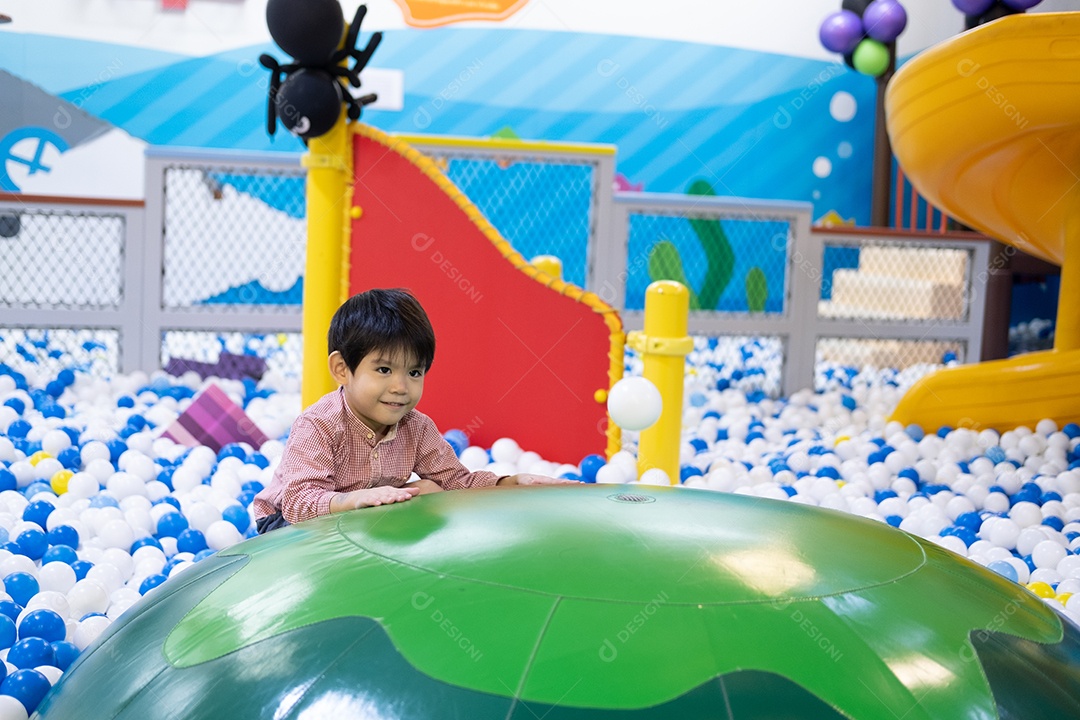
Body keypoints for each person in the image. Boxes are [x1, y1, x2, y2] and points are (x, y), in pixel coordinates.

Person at [253, 288, 575, 533]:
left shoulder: (416, 428)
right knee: (416, 496)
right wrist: (355, 500)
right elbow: (298, 504)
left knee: (431, 490)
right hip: (285, 526)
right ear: (341, 369)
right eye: (383, 370)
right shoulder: (320, 425)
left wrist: (513, 483)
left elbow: (457, 482)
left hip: (354, 521)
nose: (401, 387)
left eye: (414, 373)